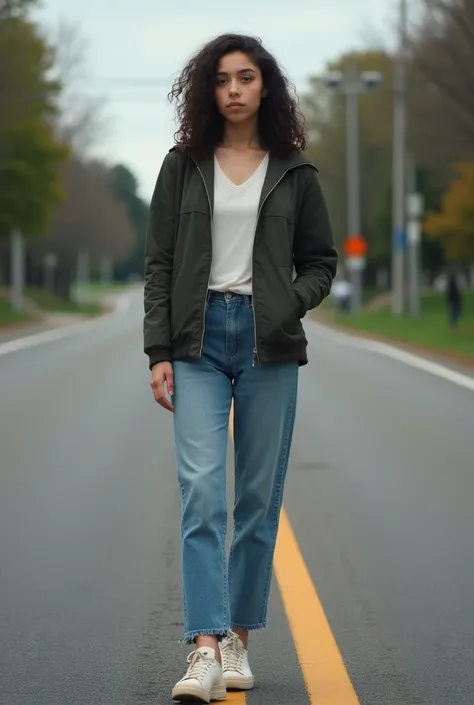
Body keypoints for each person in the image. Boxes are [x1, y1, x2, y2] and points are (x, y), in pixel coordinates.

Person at [143, 33, 337, 703]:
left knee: (256, 502)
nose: (233, 88)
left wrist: (289, 304)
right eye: (222, 78)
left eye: (246, 77)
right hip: (196, 342)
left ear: (265, 87)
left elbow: (321, 261)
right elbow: (161, 263)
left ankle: (237, 645)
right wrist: (158, 351)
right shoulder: (183, 165)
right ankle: (202, 646)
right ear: (208, 88)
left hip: (268, 343)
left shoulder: (294, 172)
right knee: (203, 493)